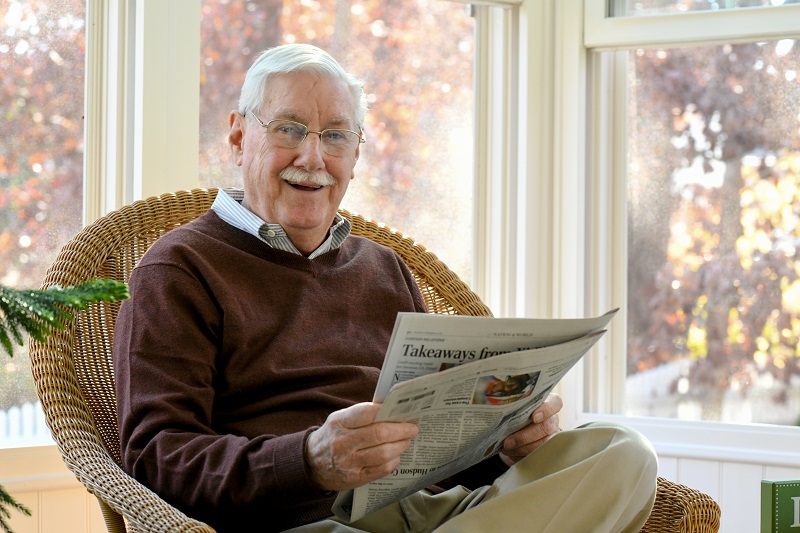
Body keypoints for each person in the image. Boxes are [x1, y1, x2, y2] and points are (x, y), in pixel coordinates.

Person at [113, 43, 658, 533]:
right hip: (300, 522)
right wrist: (309, 460)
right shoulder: (179, 270)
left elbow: (436, 443)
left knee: (622, 453)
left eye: (335, 136)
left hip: (427, 511)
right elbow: (158, 459)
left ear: (354, 154)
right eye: (289, 129)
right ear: (238, 136)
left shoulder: (385, 269)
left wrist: (504, 447)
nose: (313, 158)